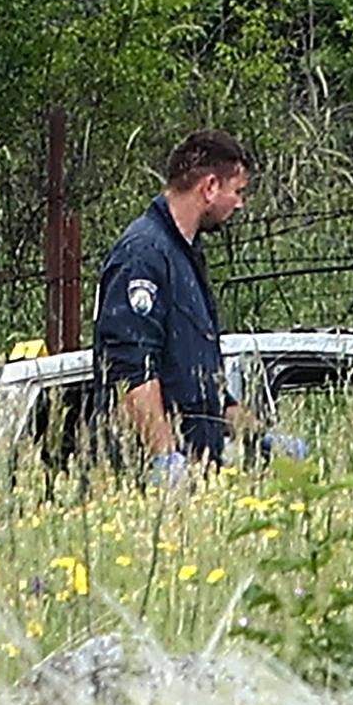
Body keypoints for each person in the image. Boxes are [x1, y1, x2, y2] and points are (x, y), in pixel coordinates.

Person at [92, 130, 253, 483]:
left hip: (200, 467)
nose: (240, 204)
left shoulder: (184, 255)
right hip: (151, 482)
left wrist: (256, 435)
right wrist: (165, 460)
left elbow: (195, 381)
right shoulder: (144, 256)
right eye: (237, 191)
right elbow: (132, 371)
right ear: (210, 186)